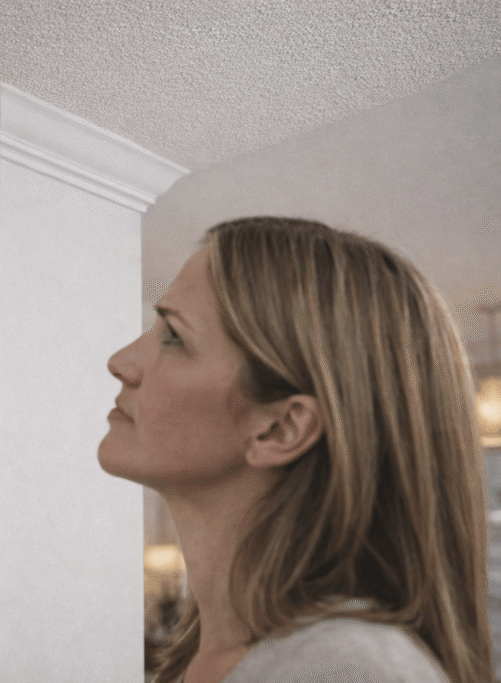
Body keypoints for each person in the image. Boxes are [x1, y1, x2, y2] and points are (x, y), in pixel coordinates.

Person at [98, 217, 492, 683]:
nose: (121, 362)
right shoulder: (207, 658)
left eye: (174, 337)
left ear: (280, 429)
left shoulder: (348, 670)